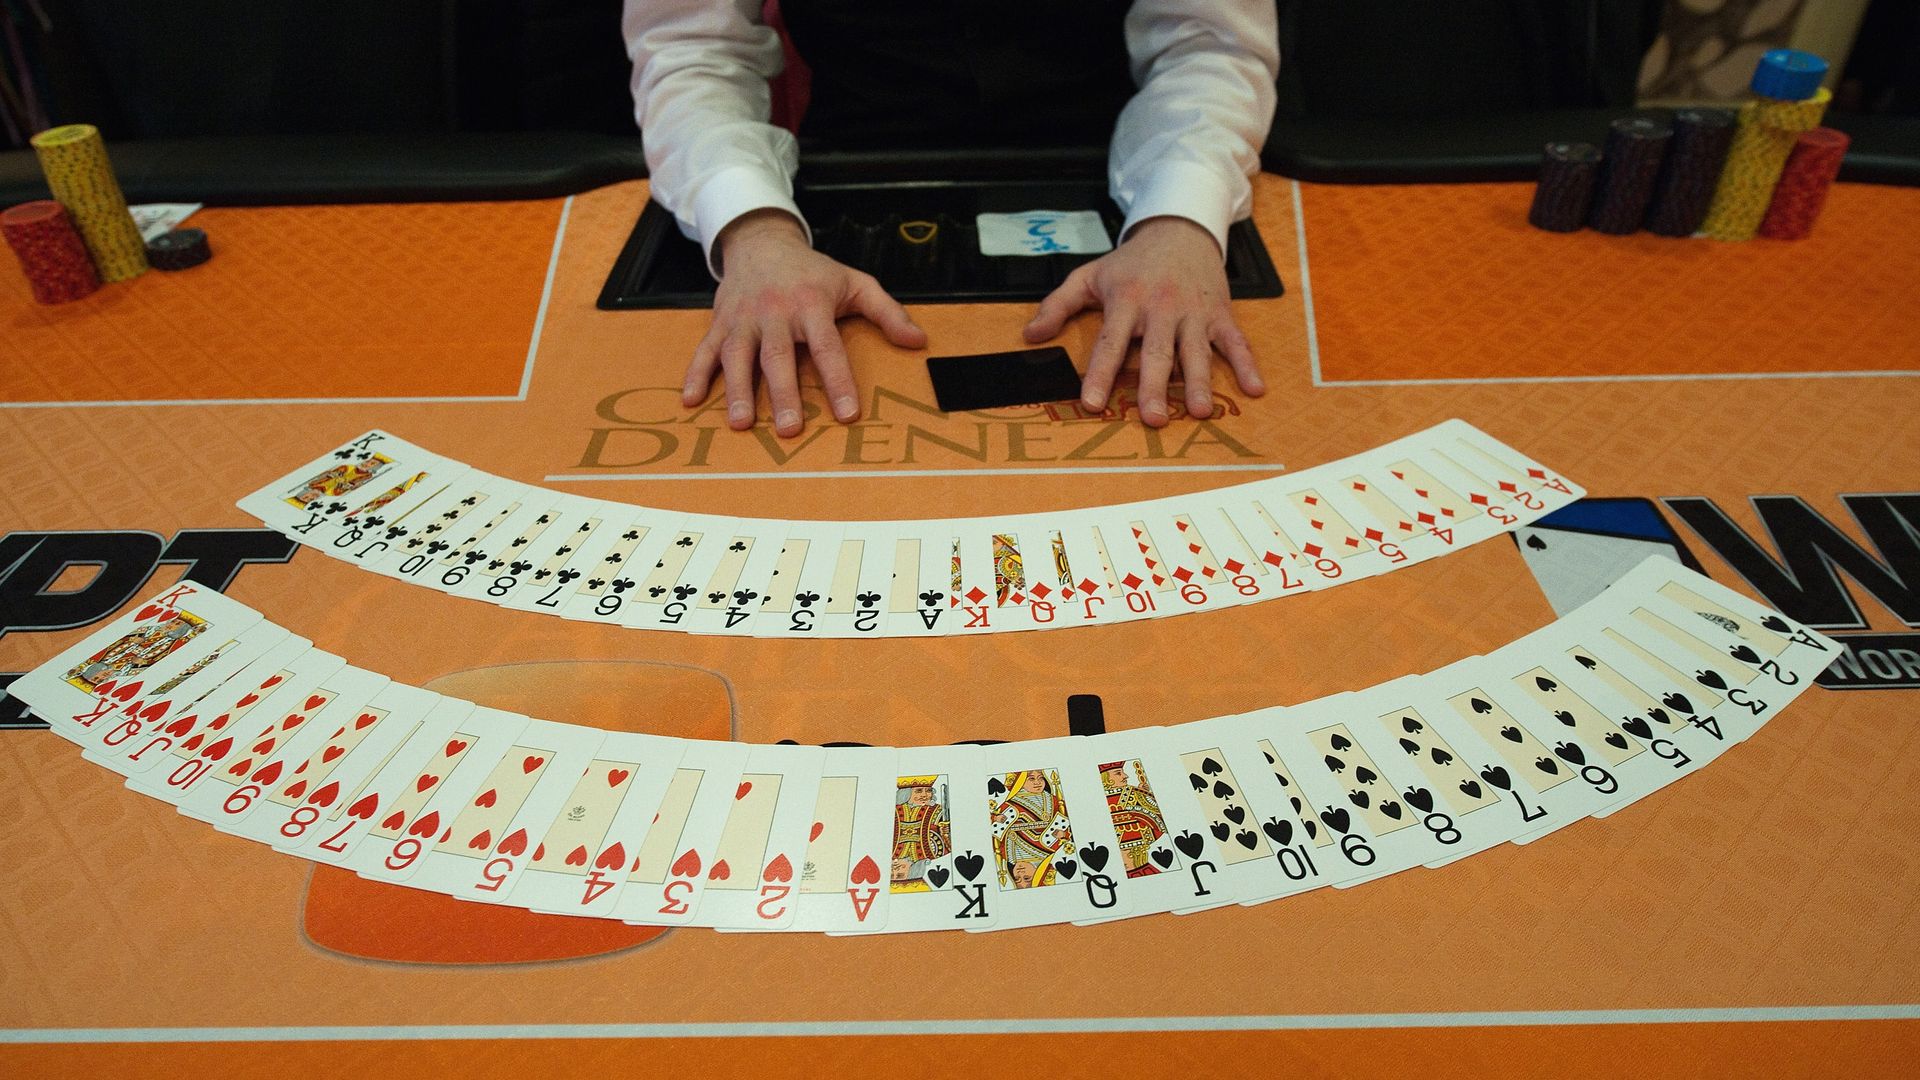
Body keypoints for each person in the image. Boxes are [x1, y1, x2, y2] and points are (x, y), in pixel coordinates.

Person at [624, 1, 1279, 437]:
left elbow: (1208, 45)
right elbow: (692, 48)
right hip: (838, 184)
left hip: (1129, 175)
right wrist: (753, 228)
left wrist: (1179, 220)